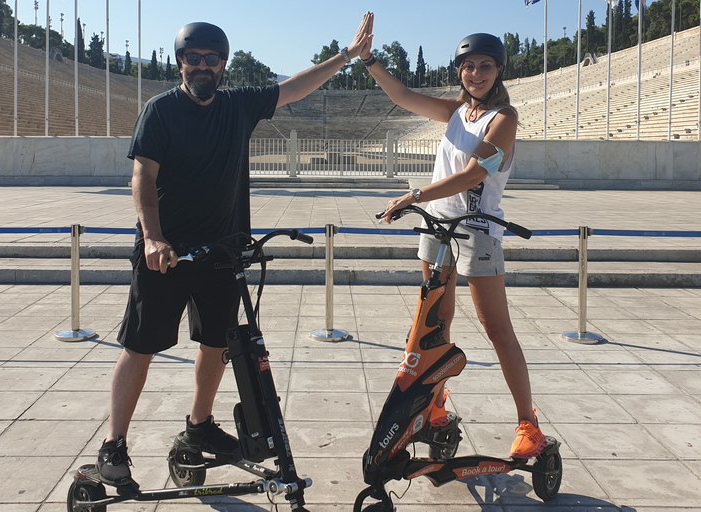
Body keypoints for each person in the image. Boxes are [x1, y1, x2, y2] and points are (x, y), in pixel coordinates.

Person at [95, 15, 373, 487]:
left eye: (211, 59)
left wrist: (346, 57)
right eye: (192, 58)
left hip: (221, 254)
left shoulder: (238, 106)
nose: (202, 66)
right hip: (166, 255)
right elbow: (143, 176)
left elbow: (294, 87)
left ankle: (198, 427)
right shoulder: (160, 111)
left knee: (216, 345)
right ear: (180, 62)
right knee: (140, 346)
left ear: (223, 64)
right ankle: (113, 444)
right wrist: (153, 236)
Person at [363, 14, 545, 459]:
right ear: (458, 70)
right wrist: (369, 60)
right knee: (435, 324)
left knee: (495, 327)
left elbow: (471, 176)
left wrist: (413, 194)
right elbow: (402, 95)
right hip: (438, 226)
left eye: (485, 66)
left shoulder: (504, 117)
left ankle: (528, 423)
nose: (476, 73)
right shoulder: (456, 111)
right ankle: (436, 406)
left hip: (478, 229)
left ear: (499, 70)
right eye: (468, 66)